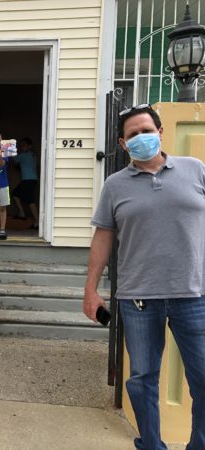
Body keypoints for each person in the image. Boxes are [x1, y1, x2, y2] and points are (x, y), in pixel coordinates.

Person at [83, 104, 205, 450]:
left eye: (146, 131)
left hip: (194, 294)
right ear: (123, 144)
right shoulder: (115, 185)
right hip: (138, 299)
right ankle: (151, 445)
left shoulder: (195, 170)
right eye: (133, 135)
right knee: (142, 381)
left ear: (160, 132)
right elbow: (103, 237)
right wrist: (91, 290)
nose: (141, 138)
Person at [11, 137, 39, 229]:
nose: (22, 148)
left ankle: (37, 221)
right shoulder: (32, 155)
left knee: (30, 200)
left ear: (29, 146)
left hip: (28, 180)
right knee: (15, 194)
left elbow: (15, 160)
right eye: (21, 146)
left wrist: (10, 149)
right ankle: (22, 213)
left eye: (24, 146)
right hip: (31, 180)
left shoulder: (24, 155)